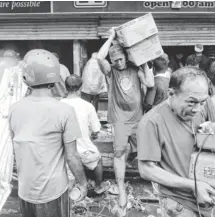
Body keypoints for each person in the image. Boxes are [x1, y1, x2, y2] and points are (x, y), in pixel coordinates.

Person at [137, 66, 215, 217]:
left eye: (202, 102)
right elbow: (146, 169)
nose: (197, 109)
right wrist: (193, 186)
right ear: (171, 93)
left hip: (211, 197)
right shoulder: (152, 121)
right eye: (191, 102)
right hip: (179, 203)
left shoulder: (205, 105)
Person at [8, 49, 87, 217]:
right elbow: (72, 157)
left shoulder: (14, 110)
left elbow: (15, 148)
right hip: (54, 192)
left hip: (25, 191)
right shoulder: (65, 111)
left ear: (25, 78)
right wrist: (83, 183)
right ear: (55, 78)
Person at [96, 28, 154, 217]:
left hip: (138, 118)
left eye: (121, 59)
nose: (118, 63)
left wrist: (144, 62)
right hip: (120, 119)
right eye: (115, 60)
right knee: (119, 153)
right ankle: (121, 191)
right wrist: (111, 37)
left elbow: (151, 84)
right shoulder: (111, 71)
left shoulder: (135, 69)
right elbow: (99, 57)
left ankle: (152, 182)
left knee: (142, 153)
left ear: (126, 58)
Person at [61, 74, 105, 193]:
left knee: (69, 176)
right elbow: (96, 129)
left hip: (65, 153)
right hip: (84, 152)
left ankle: (71, 190)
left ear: (66, 88)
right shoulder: (88, 106)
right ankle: (99, 186)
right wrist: (93, 134)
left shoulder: (59, 104)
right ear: (80, 88)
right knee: (98, 159)